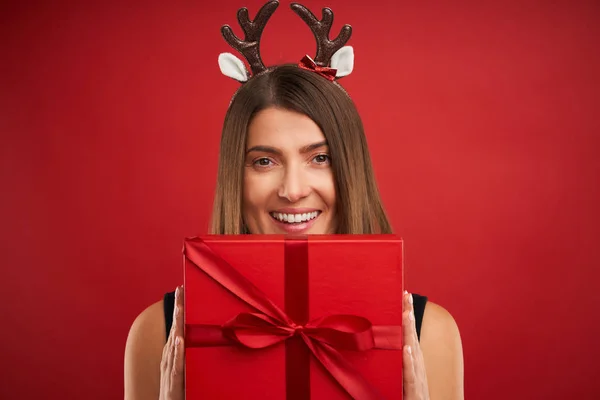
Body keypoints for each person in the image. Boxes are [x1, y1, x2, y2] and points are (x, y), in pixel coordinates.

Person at [124, 1, 464, 399]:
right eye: (264, 161)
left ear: (350, 169)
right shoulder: (158, 333)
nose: (293, 189)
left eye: (320, 158)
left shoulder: (429, 334)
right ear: (236, 175)